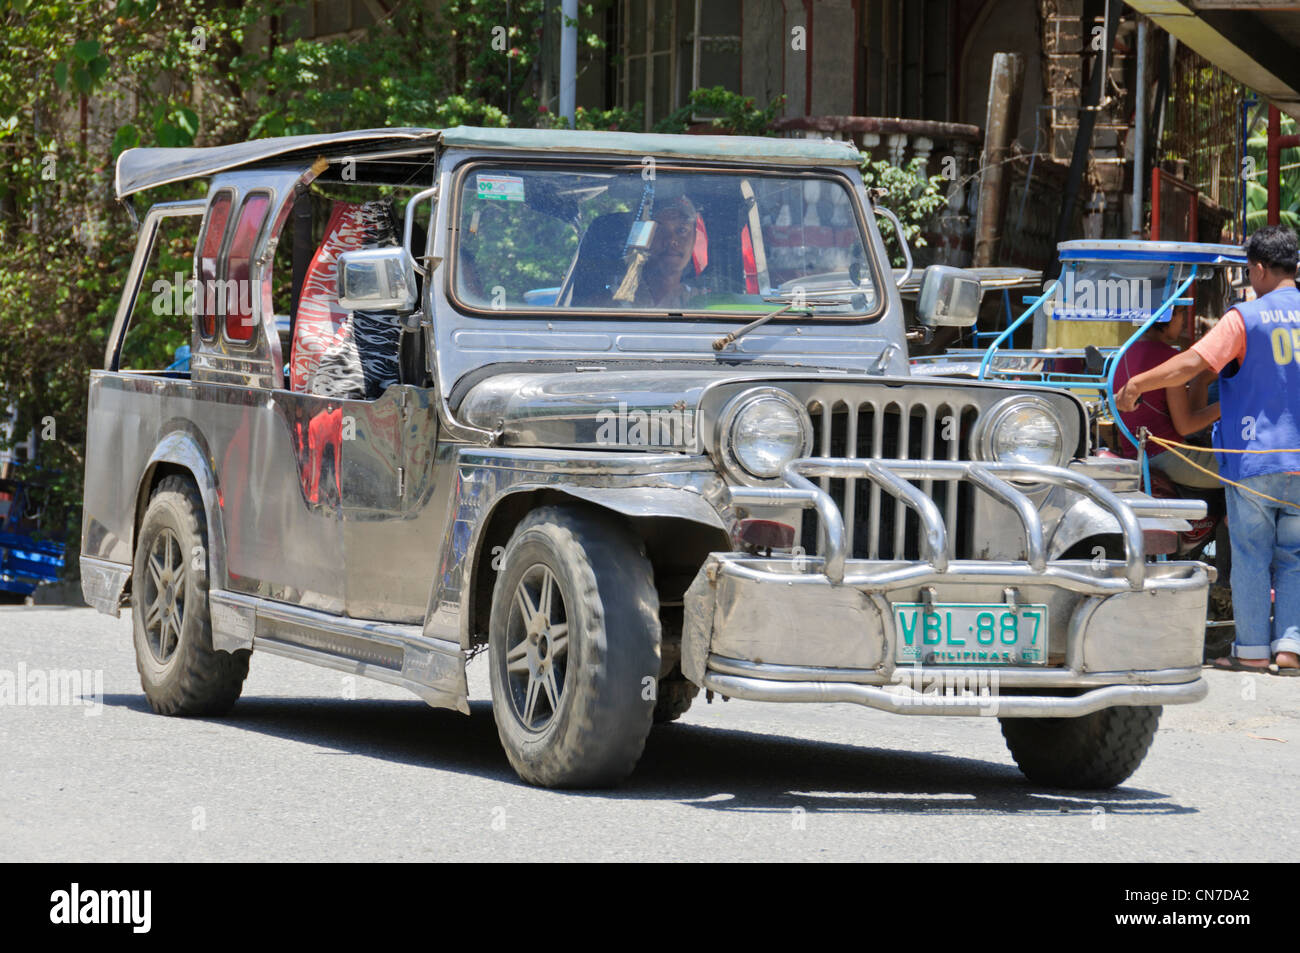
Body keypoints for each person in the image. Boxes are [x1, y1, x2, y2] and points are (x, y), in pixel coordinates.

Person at [1116, 224, 1300, 674]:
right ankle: (1290, 648)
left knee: (1253, 554)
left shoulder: (1245, 318)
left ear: (1257, 268)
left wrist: (1138, 384)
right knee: (1293, 556)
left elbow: (1195, 363)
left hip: (1251, 459)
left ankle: (1252, 651)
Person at [1111, 308, 1221, 487]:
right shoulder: (1169, 358)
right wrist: (1224, 406)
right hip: (1167, 457)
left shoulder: (1121, 355)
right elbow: (1186, 427)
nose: (1184, 320)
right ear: (1166, 316)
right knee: (1248, 468)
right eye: (1180, 312)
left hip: (1137, 456)